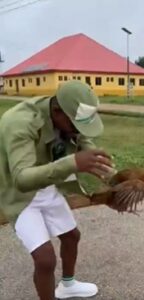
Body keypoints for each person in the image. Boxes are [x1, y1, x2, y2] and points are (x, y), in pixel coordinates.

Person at [0, 81, 113, 300]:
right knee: (45, 259)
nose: (78, 130)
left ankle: (68, 286)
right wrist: (73, 163)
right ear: (57, 111)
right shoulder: (21, 123)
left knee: (71, 236)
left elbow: (81, 139)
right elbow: (22, 179)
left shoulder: (64, 117)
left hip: (47, 186)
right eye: (75, 124)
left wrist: (113, 175)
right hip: (19, 194)